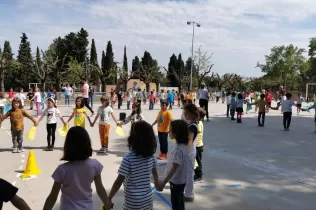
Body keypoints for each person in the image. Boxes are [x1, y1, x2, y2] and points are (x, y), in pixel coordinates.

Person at [43, 127, 112, 210]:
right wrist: (106, 203)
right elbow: (100, 188)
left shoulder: (62, 169)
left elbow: (53, 196)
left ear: (68, 146)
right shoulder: (94, 165)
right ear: (87, 144)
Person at [108, 121, 159, 210]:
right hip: (148, 199)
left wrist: (108, 198)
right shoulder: (152, 157)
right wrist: (157, 184)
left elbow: (118, 181)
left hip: (132, 202)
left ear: (133, 138)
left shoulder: (129, 158)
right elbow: (155, 174)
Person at [157, 120, 189, 210]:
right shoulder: (183, 145)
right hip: (181, 179)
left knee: (176, 203)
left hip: (176, 181)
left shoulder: (178, 149)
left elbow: (174, 168)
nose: (168, 132)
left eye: (170, 130)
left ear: (175, 134)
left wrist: (164, 182)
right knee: (179, 201)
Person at [183, 104, 199, 202]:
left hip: (189, 152)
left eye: (186, 113)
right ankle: (188, 192)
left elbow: (189, 140)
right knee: (188, 173)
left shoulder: (192, 126)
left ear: (192, 114)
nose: (185, 115)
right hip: (190, 151)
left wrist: (186, 152)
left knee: (189, 174)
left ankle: (189, 195)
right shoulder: (192, 125)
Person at [195, 108, 205, 183]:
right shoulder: (197, 122)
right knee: (195, 161)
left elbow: (198, 136)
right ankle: (196, 175)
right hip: (196, 145)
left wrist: (193, 145)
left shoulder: (199, 124)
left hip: (197, 146)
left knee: (198, 161)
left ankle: (199, 176)